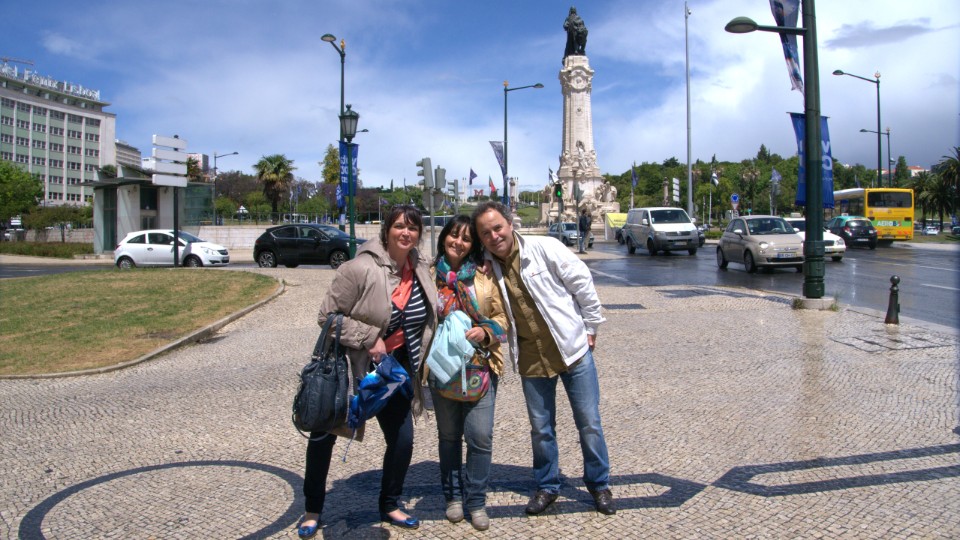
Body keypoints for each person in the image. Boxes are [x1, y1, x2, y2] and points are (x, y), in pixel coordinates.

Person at [298, 205, 437, 538]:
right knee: (325, 436)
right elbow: (327, 317)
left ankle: (389, 503)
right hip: (351, 367)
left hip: (396, 369)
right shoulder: (358, 268)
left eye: (413, 228)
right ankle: (312, 509)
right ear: (386, 229)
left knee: (402, 441)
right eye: (399, 226)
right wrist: (369, 337)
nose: (406, 233)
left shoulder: (421, 268)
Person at [471, 201, 616, 516]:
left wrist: (591, 326)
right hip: (531, 357)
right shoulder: (485, 268)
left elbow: (581, 282)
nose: (494, 236)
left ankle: (599, 484)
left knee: (589, 422)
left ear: (510, 224)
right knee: (541, 428)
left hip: (571, 350)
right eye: (486, 233)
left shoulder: (545, 247)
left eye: (497, 228)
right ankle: (547, 486)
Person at [428, 215, 508, 531]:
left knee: (480, 436)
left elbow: (502, 318)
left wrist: (485, 332)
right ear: (444, 237)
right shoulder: (428, 275)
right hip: (442, 368)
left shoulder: (483, 275)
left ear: (473, 244)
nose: (458, 242)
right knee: (449, 437)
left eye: (466, 238)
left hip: (480, 366)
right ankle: (452, 498)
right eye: (453, 235)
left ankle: (476, 501)